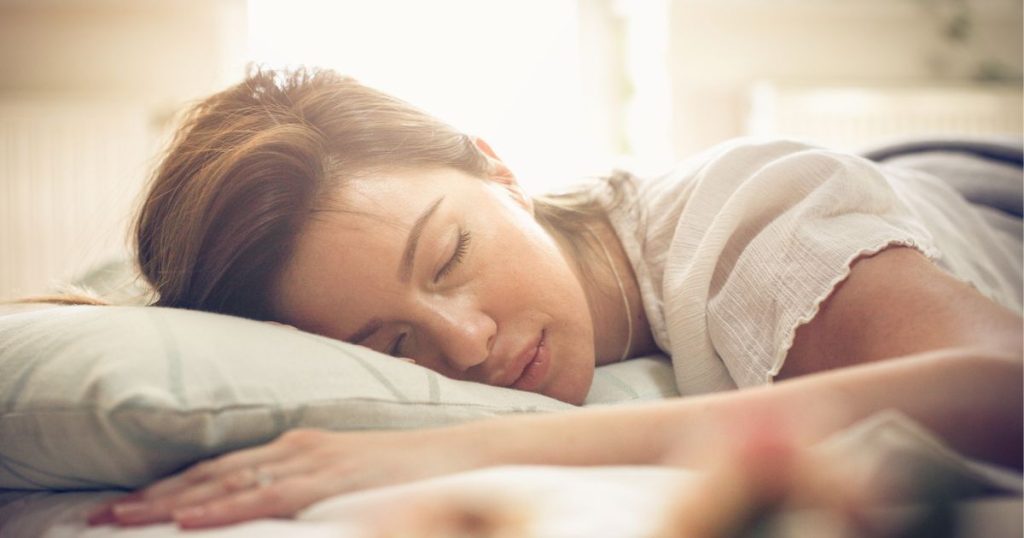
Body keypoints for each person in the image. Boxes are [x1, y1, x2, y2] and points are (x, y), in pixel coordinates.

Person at [87, 67, 1021, 530]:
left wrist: (484, 444)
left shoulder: (752, 220)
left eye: (449, 255)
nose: (466, 343)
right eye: (394, 344)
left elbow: (1004, 389)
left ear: (499, 168)